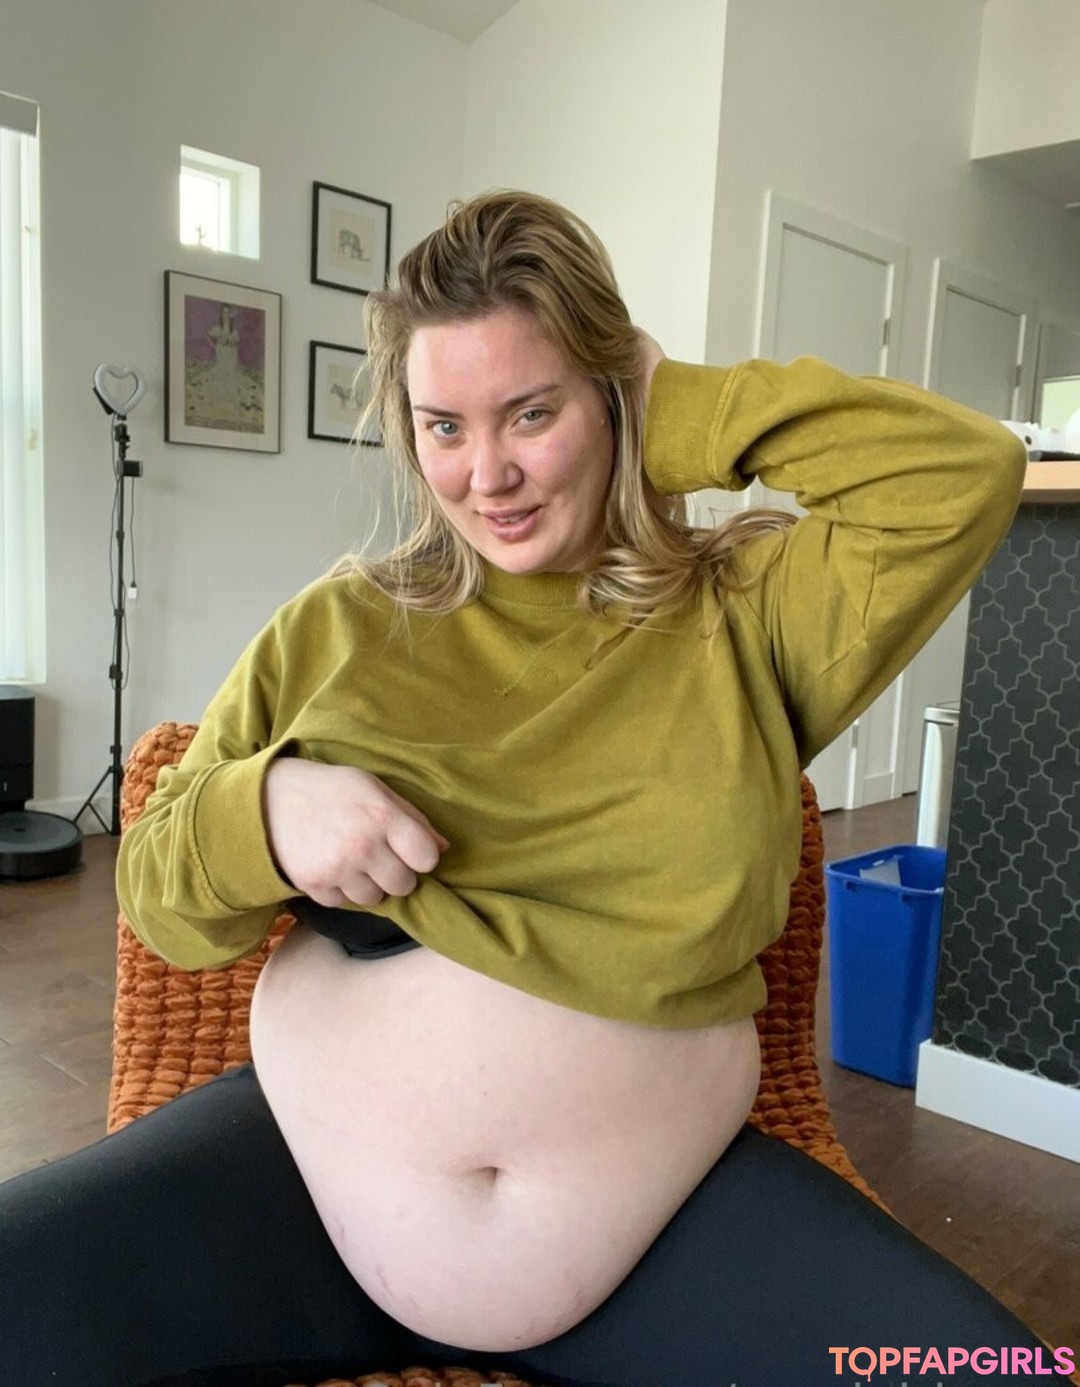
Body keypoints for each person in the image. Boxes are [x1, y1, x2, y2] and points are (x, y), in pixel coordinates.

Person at [0, 191, 1053, 1387]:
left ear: (611, 394)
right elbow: (156, 892)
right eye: (443, 425)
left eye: (533, 412)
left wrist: (677, 405)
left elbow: (967, 474)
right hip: (301, 1195)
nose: (486, 474)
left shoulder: (749, 616)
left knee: (992, 1375)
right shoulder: (337, 626)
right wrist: (269, 815)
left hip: (654, 1232)